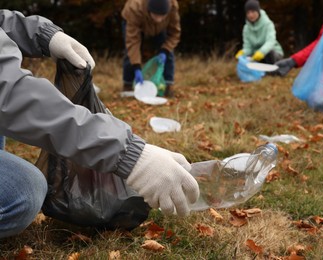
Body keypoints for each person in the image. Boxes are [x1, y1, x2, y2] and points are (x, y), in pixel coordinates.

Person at [0, 9, 199, 238]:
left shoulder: (172, 12)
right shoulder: (134, 12)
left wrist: (42, 34)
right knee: (24, 192)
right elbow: (10, 95)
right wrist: (130, 157)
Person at [121, 0, 180, 98]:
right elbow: (132, 42)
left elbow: (174, 33)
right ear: (149, 10)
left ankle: (168, 85)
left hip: (161, 28)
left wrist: (164, 51)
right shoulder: (134, 8)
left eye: (162, 16)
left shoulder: (172, 8)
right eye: (156, 15)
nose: (159, 19)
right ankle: (128, 85)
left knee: (169, 52)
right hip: (134, 22)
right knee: (130, 52)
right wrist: (136, 67)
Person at [235, 0, 284, 64]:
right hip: (256, 55)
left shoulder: (268, 24)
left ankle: (273, 70)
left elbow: (270, 42)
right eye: (248, 13)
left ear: (258, 11)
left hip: (273, 53)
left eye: (253, 12)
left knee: (269, 54)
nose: (250, 15)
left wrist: (262, 52)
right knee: (246, 58)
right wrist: (243, 53)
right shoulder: (246, 29)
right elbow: (248, 47)